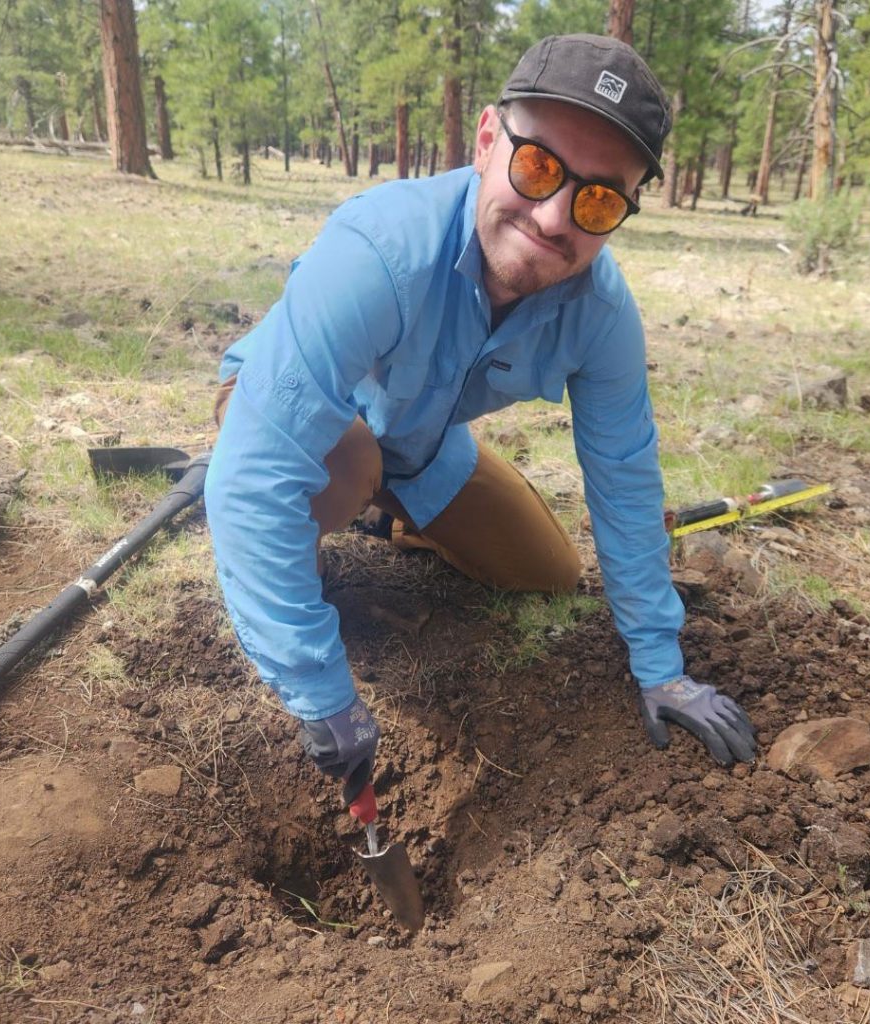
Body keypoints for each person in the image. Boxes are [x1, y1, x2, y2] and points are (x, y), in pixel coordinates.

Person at [204, 33, 757, 808]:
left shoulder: (601, 316)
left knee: (550, 572)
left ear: (622, 214)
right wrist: (319, 692)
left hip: (421, 447)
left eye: (598, 200)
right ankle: (320, 542)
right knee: (337, 472)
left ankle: (395, 517)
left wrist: (661, 667)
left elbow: (626, 482)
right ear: (489, 140)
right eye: (539, 168)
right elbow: (254, 482)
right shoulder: (379, 249)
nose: (556, 218)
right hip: (300, 418)